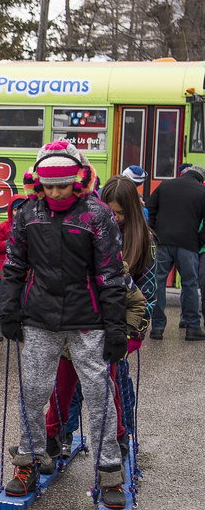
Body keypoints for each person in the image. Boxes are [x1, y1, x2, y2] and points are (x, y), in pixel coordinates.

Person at [0, 141, 128, 509]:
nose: (56, 192)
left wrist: (116, 326)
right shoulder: (27, 213)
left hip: (87, 317)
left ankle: (109, 472)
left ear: (77, 181)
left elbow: (110, 274)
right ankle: (29, 460)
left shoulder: (95, 214)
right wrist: (8, 309)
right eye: (49, 185)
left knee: (100, 394)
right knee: (33, 390)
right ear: (38, 182)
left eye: (63, 185)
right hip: (40, 315)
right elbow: (14, 266)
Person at [47, 175, 155, 460]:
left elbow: (145, 298)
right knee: (67, 386)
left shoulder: (145, 240)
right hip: (83, 323)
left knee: (116, 384)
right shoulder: (91, 228)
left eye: (121, 213)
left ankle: (121, 438)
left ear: (131, 212)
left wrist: (131, 335)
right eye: (111, 211)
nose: (116, 218)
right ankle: (63, 434)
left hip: (119, 327)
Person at [145, 164, 205, 340]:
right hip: (188, 244)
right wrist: (199, 240)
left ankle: (157, 327)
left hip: (163, 242)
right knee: (190, 284)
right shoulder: (201, 192)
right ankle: (192, 326)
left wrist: (155, 232)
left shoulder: (165, 185)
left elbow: (150, 209)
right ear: (200, 179)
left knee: (159, 283)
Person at [0, 195, 25, 340]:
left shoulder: (27, 227)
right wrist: (7, 244)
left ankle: (21, 324)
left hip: (24, 271)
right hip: (4, 271)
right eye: (16, 209)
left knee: (22, 300)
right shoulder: (3, 226)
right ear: (11, 210)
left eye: (21, 209)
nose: (18, 212)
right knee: (2, 300)